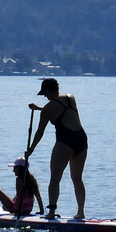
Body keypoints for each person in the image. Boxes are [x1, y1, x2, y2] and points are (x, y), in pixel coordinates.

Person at [26, 78, 88, 218]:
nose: (45, 96)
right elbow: (60, 109)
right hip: (81, 140)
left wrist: (31, 149)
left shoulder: (48, 109)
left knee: (55, 179)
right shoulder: (70, 98)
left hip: (65, 141)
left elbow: (39, 132)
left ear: (49, 90)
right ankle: (80, 212)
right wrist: (39, 108)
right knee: (77, 178)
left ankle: (51, 212)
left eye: (45, 93)